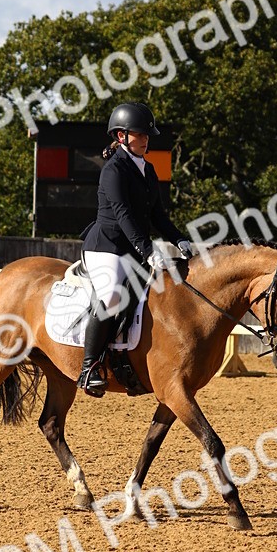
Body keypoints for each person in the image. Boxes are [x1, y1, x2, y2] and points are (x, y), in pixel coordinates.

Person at [77, 101, 193, 396]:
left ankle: (130, 361)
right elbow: (123, 214)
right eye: (140, 134)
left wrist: (179, 238)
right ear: (121, 137)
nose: (146, 139)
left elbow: (157, 215)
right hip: (107, 247)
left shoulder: (148, 169)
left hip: (134, 248)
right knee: (113, 296)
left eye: (147, 134)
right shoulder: (113, 170)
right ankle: (89, 367)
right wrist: (147, 248)